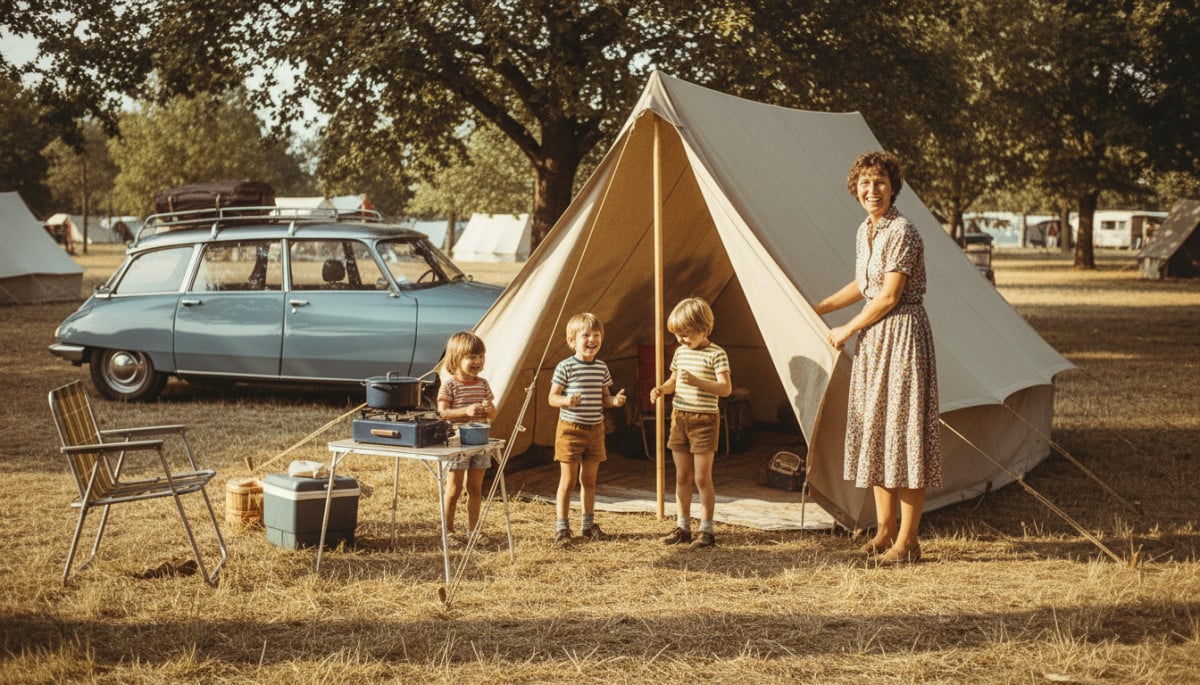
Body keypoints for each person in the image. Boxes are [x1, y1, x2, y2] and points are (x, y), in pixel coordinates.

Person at [813, 150, 943, 565]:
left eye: (881, 182)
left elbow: (888, 295)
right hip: (873, 337)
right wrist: (819, 309)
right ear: (856, 189)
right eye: (866, 183)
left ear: (893, 187)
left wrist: (848, 328)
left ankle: (908, 541)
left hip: (902, 334)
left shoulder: (902, 231)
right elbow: (863, 283)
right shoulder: (865, 231)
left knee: (903, 434)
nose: (873, 190)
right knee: (877, 429)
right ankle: (885, 531)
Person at [650, 297, 732, 549]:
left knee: (701, 478)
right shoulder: (680, 352)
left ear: (704, 329)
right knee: (682, 476)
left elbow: (725, 389)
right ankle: (683, 526)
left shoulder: (716, 354)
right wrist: (661, 389)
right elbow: (674, 381)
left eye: (686, 334)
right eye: (678, 335)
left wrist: (697, 382)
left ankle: (706, 530)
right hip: (679, 418)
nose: (681, 340)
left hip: (704, 420)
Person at [548, 313, 627, 546]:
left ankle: (588, 524)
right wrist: (567, 401)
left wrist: (615, 401)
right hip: (571, 429)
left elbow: (604, 399)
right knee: (568, 480)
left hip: (595, 429)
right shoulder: (566, 367)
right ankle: (562, 528)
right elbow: (552, 397)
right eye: (586, 335)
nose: (592, 339)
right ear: (572, 341)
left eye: (596, 335)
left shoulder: (602, 368)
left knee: (589, 480)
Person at [437, 331, 497, 548]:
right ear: (456, 358)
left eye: (480, 356)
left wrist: (490, 409)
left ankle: (474, 530)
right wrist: (466, 411)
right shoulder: (450, 385)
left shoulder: (483, 384)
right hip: (457, 443)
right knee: (453, 488)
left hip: (480, 442)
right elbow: (442, 413)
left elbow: (492, 415)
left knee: (475, 488)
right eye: (471, 357)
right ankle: (448, 531)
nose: (477, 362)